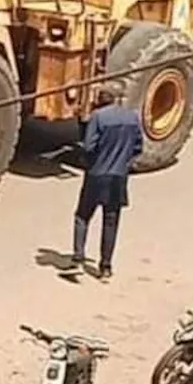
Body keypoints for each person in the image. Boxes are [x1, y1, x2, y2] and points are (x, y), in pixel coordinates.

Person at [70, 85, 144, 281]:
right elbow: (138, 147)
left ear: (101, 99)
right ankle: (105, 267)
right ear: (118, 98)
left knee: (83, 215)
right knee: (111, 220)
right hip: (119, 176)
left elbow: (88, 146)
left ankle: (78, 259)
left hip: (97, 174)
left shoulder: (98, 117)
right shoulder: (132, 117)